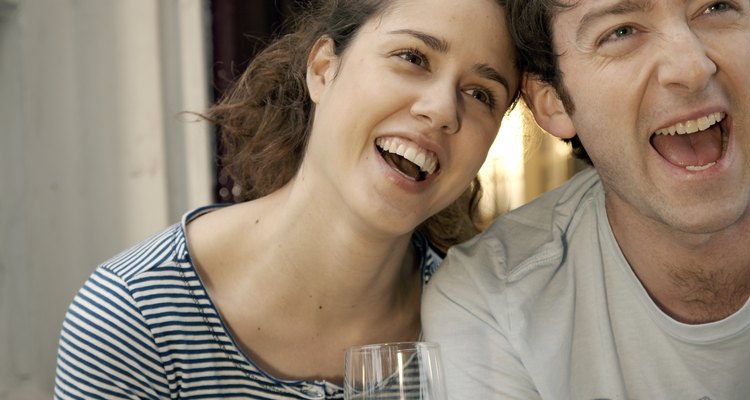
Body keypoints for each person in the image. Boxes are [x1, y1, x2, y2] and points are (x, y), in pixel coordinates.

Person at [53, 0, 520, 398]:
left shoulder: (486, 326)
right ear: (322, 70)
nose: (441, 111)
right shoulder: (135, 315)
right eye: (412, 57)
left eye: (481, 93)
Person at [423, 0, 750, 399]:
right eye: (621, 32)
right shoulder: (495, 303)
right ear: (553, 101)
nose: (692, 68)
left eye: (717, 6)